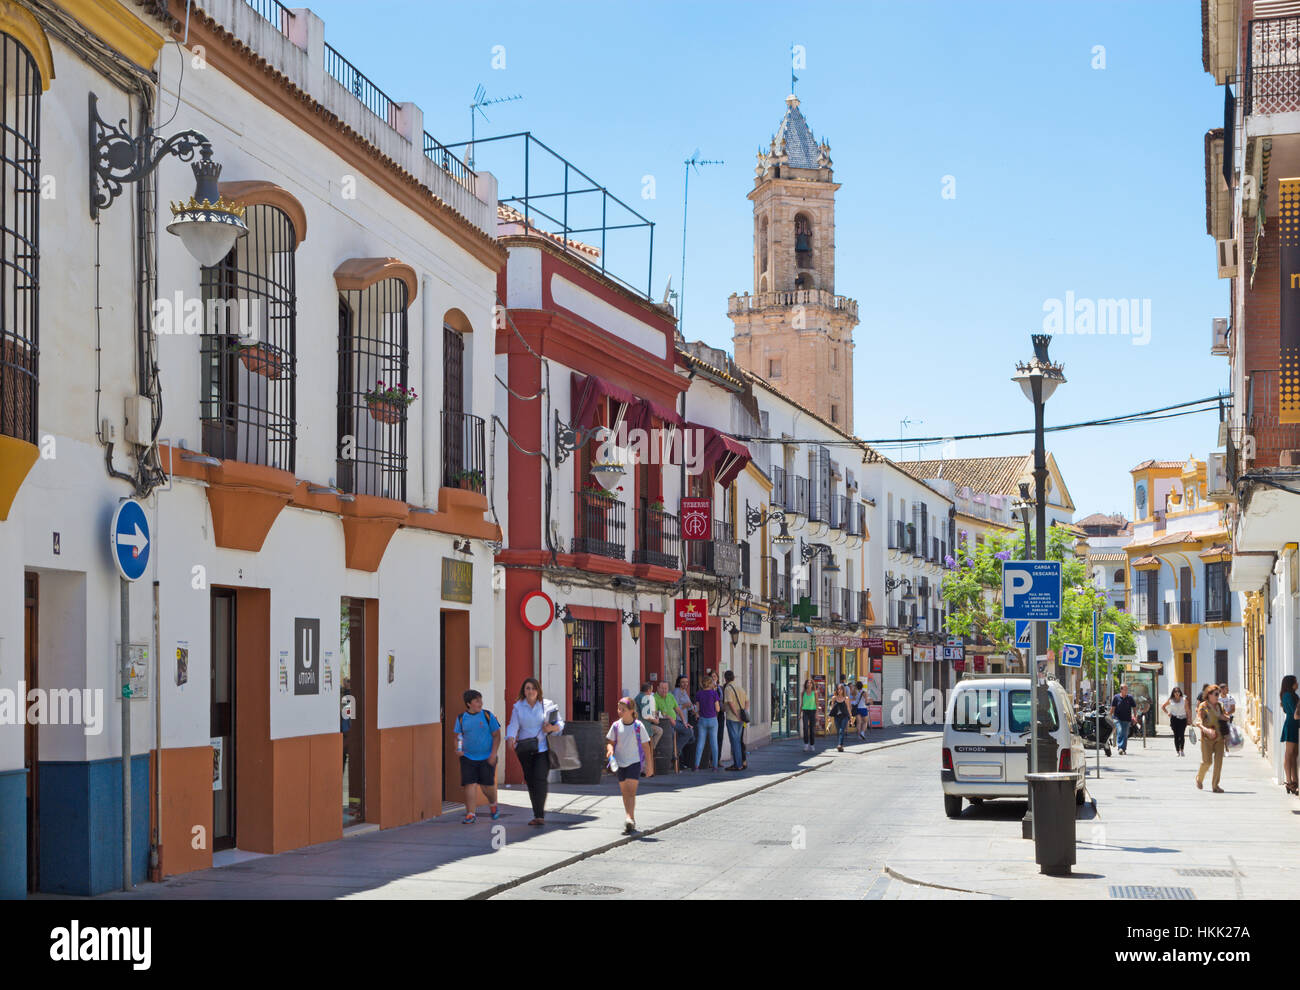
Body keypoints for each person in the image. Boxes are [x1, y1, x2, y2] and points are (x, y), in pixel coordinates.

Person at [506, 677, 563, 827]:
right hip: (525, 749)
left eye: (533, 688)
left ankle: (540, 815)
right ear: (523, 691)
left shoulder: (547, 705)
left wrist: (551, 728)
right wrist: (510, 737)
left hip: (542, 748)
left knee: (540, 779)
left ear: (538, 690)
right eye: (527, 688)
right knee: (530, 781)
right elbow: (513, 724)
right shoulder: (518, 706)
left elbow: (560, 724)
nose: (530, 691)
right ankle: (536, 813)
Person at [605, 697, 653, 834]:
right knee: (625, 792)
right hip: (620, 763)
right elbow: (610, 741)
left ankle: (629, 818)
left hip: (634, 762)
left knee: (631, 792)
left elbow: (646, 747)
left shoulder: (638, 726)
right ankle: (630, 817)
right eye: (619, 709)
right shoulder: (615, 726)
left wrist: (649, 766)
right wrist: (610, 749)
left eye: (623, 709)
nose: (619, 711)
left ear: (631, 711)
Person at [454, 689, 502, 823]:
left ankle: (493, 804)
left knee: (487, 786)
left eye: (481, 700)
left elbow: (497, 735)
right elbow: (458, 736)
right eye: (477, 701)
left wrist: (493, 754)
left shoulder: (488, 716)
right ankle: (470, 814)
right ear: (468, 704)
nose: (480, 703)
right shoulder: (461, 718)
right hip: (468, 757)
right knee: (470, 784)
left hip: (487, 757)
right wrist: (458, 749)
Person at [1195, 685, 1229, 793]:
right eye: (1216, 694)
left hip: (1219, 738)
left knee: (1219, 762)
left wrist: (1224, 717)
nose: (1218, 696)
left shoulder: (1220, 705)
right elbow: (1198, 722)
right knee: (1207, 762)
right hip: (1207, 739)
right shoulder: (1203, 706)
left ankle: (1215, 785)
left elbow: (1227, 716)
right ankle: (1199, 778)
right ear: (1209, 695)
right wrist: (1206, 730)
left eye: (1218, 694)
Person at [655, 680, 693, 768]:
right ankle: (674, 754)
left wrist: (684, 722)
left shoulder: (670, 696)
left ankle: (674, 752)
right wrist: (668, 717)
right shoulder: (654, 698)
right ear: (658, 688)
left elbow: (678, 710)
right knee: (671, 734)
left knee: (689, 731)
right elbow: (655, 713)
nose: (664, 690)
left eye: (666, 688)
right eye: (662, 688)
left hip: (675, 722)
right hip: (663, 723)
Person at [721, 669, 749, 770]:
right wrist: (744, 713)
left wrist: (736, 714)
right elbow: (747, 701)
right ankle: (741, 762)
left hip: (732, 718)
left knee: (735, 742)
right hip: (741, 719)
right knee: (738, 740)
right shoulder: (739, 687)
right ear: (733, 677)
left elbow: (730, 703)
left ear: (725, 678)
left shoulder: (728, 688)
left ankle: (738, 764)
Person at [693, 674, 721, 771]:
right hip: (713, 719)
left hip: (702, 720)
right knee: (714, 743)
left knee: (700, 743)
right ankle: (715, 766)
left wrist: (698, 713)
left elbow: (697, 708)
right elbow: (718, 708)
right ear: (710, 683)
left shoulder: (699, 694)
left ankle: (696, 765)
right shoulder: (714, 694)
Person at [634, 682, 662, 776]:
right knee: (658, 731)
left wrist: (655, 716)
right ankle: (646, 769)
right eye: (651, 690)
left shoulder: (640, 697)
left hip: (641, 725)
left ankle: (651, 749)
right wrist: (655, 720)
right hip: (643, 726)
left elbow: (650, 711)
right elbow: (646, 715)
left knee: (658, 730)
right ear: (648, 690)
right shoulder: (644, 698)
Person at [1281, 675, 1299, 796]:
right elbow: (1294, 713)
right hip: (1291, 725)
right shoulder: (1288, 695)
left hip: (1295, 725)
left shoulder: (1292, 695)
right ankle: (1289, 781)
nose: (1297, 683)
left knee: (1294, 754)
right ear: (1291, 683)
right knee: (1289, 754)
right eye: (1295, 681)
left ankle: (1294, 780)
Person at [1161, 686, 1189, 757]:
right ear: (1173, 693)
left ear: (1180, 693)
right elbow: (1163, 706)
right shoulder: (1171, 700)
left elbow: (1187, 710)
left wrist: (1189, 719)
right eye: (1175, 692)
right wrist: (1168, 713)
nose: (1177, 693)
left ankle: (1182, 750)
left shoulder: (1184, 699)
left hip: (1183, 719)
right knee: (1176, 735)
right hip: (1174, 719)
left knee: (1181, 735)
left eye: (1178, 691)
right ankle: (1177, 751)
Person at [1111, 683, 1137, 755]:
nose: (1126, 690)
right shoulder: (1116, 697)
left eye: (1127, 689)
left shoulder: (1130, 698)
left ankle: (1123, 748)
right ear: (1121, 690)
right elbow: (1113, 708)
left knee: (1125, 734)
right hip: (1117, 718)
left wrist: (1135, 717)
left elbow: (1134, 708)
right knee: (1120, 731)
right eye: (1125, 689)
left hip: (1127, 719)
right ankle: (1120, 747)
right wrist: (1109, 716)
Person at [829, 683, 851, 752]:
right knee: (839, 731)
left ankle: (839, 745)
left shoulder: (846, 698)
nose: (839, 690)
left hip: (844, 716)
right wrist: (829, 717)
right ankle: (841, 745)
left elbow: (848, 708)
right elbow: (832, 708)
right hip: (837, 716)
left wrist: (851, 717)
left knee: (841, 730)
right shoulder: (834, 698)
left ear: (843, 690)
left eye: (841, 689)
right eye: (838, 689)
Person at [801, 678, 818, 753]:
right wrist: (800, 713)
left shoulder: (815, 692)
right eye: (808, 683)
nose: (809, 684)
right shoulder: (803, 692)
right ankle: (805, 744)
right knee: (805, 727)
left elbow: (817, 703)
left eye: (810, 683)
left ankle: (812, 744)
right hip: (805, 711)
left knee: (811, 729)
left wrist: (817, 713)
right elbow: (802, 703)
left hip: (812, 711)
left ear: (812, 684)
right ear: (806, 684)